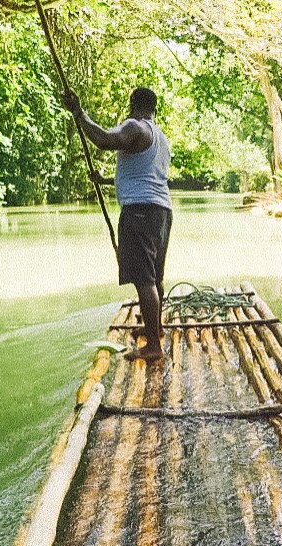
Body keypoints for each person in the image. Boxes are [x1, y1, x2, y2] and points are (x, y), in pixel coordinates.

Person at [62, 87, 172, 362]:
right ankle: (155, 329)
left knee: (144, 280)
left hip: (140, 212)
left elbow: (105, 140)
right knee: (154, 276)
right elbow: (143, 176)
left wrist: (79, 113)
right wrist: (106, 182)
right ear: (154, 108)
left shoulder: (134, 126)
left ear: (134, 104)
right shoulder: (161, 138)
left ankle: (154, 348)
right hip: (161, 211)